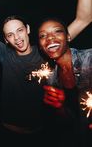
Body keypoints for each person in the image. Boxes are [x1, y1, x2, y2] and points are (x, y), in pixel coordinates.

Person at [0, 0, 92, 147]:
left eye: (19, 30)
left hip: (40, 133)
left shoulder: (47, 50)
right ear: (6, 40)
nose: (16, 38)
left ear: (28, 29)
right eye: (10, 35)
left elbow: (83, 19)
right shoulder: (4, 54)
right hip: (8, 131)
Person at [38, 18, 92, 147]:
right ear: (40, 46)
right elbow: (69, 121)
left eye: (57, 31)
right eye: (43, 35)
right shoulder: (52, 80)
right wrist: (60, 107)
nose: (50, 38)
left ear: (68, 37)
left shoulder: (89, 59)